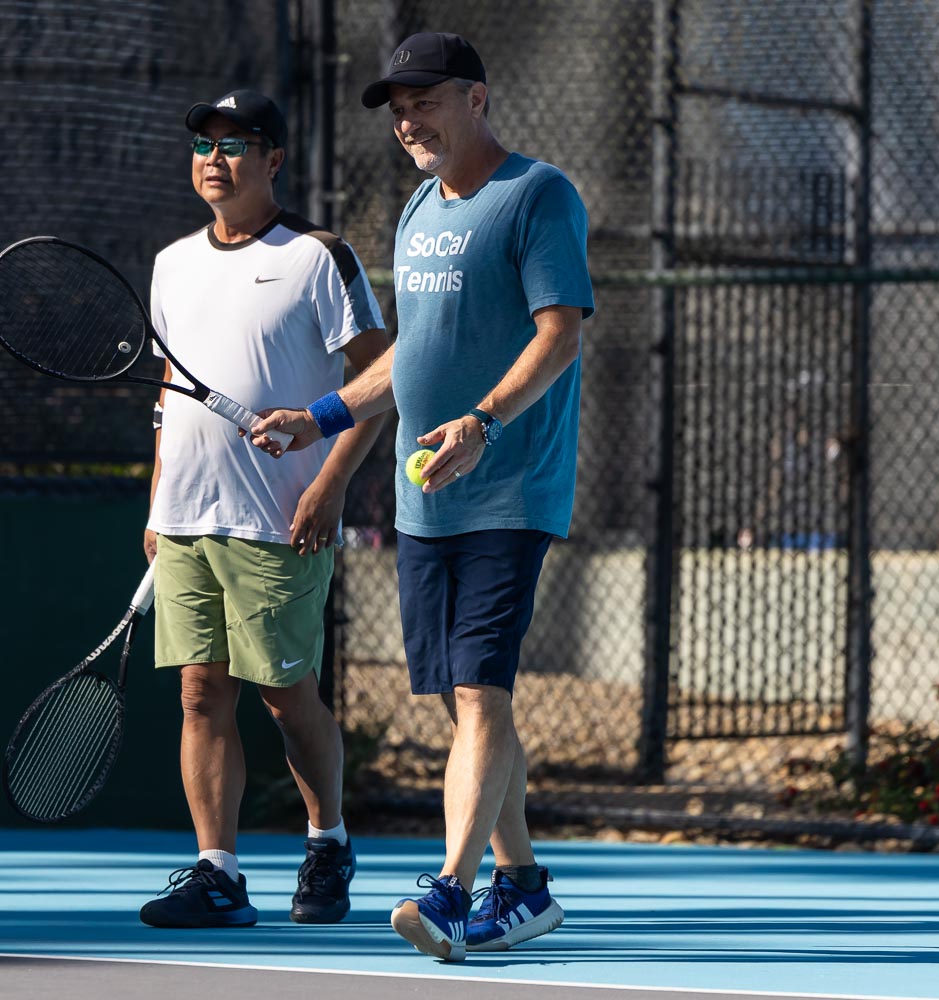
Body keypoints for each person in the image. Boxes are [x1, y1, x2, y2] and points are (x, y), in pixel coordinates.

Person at [248, 33, 594, 960]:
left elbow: (559, 333)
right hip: (424, 499)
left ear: (476, 99)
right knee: (464, 700)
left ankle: (451, 893)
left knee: (479, 693)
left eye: (425, 102)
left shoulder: (538, 195)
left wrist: (483, 423)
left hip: (508, 490)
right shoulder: (416, 209)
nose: (408, 122)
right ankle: (524, 886)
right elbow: (413, 350)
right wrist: (320, 417)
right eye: (398, 110)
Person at [139, 88, 389, 929]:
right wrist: (158, 499)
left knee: (285, 694)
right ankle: (218, 873)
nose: (215, 159)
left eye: (235, 144)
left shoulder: (319, 257)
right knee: (200, 694)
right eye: (203, 145)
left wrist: (330, 483)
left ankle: (328, 840)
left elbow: (381, 381)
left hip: (281, 519)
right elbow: (171, 390)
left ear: (273, 159)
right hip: (186, 518)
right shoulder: (172, 263)